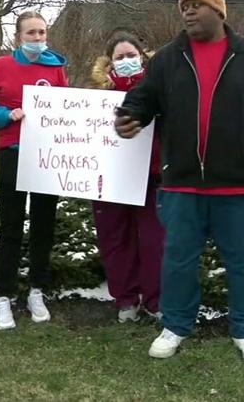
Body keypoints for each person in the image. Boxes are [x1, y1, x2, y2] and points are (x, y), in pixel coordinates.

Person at [115, 0, 244, 363]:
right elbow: (142, 99)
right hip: (182, 186)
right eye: (183, 6)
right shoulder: (167, 59)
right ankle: (175, 325)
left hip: (240, 187)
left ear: (218, 10)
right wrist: (131, 116)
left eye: (196, 4)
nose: (188, 11)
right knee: (177, 261)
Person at [0, 11, 69, 330]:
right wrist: (6, 115)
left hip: (46, 156)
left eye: (42, 33)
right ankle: (4, 296)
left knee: (44, 225)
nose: (38, 38)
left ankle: (36, 291)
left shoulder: (56, 68)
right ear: (18, 37)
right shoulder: (0, 66)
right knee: (11, 226)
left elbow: (66, 110)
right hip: (13, 153)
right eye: (31, 33)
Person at [88, 33, 165, 323]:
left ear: (142, 57)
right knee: (115, 239)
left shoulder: (160, 86)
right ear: (109, 63)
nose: (126, 62)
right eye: (119, 58)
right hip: (109, 179)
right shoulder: (94, 95)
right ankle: (126, 299)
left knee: (155, 239)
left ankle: (155, 300)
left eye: (131, 55)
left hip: (153, 175)